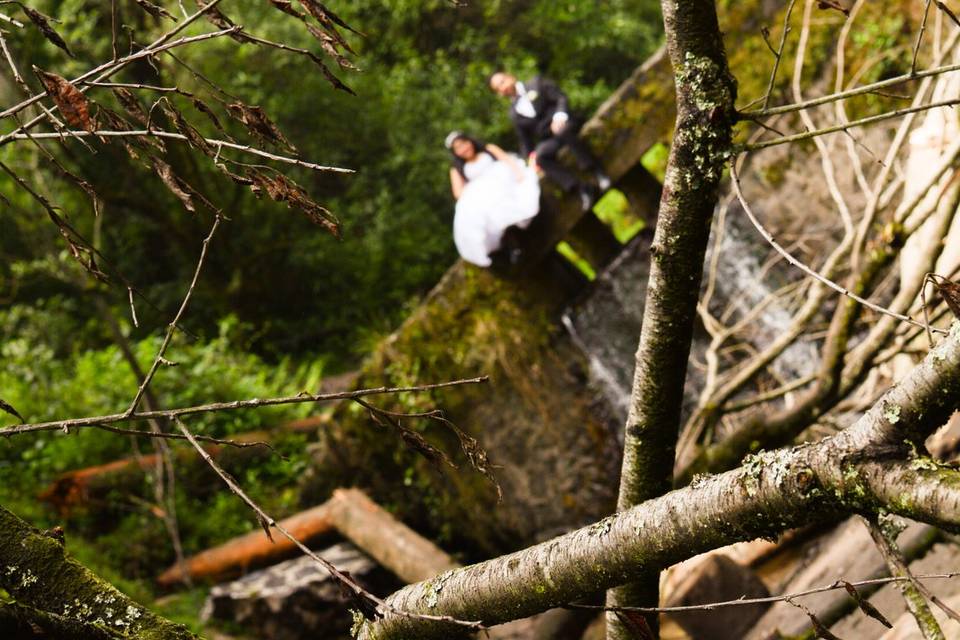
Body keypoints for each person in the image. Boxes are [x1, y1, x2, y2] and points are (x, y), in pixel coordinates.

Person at [489, 71, 611, 212]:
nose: (502, 88)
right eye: (498, 88)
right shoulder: (513, 113)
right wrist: (530, 159)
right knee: (541, 157)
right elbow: (525, 140)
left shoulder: (536, 82)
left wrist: (559, 116)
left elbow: (561, 98)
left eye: (502, 82)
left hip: (566, 122)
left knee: (562, 131)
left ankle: (596, 171)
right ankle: (582, 188)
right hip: (549, 138)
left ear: (510, 77)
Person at [446, 131, 541, 267]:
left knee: (500, 199)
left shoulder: (488, 149)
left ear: (470, 141)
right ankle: (510, 244)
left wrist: (519, 174)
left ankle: (516, 237)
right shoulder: (456, 169)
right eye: (458, 148)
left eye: (464, 144)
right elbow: (458, 192)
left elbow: (507, 159)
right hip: (483, 195)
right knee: (480, 210)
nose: (464, 149)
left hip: (503, 180)